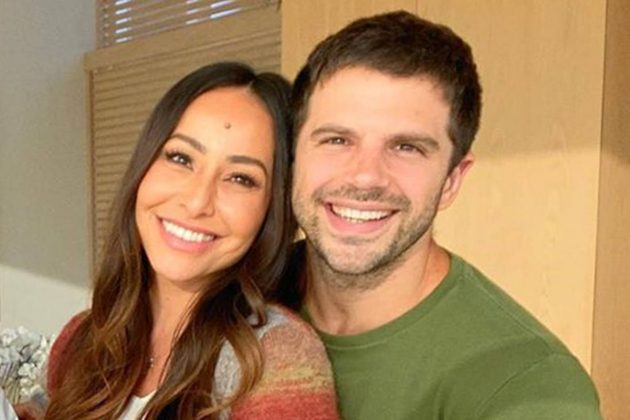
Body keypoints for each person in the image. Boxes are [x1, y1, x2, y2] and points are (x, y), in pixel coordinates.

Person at [278, 11, 603, 420]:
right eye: (337, 139)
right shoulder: (235, 296)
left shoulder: (531, 388)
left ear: (452, 180)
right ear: (293, 156)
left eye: (407, 147)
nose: (364, 176)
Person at [31, 62, 338, 419]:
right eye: (180, 158)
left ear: (272, 210)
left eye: (240, 178)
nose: (196, 202)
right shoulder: (81, 337)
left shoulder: (276, 356)